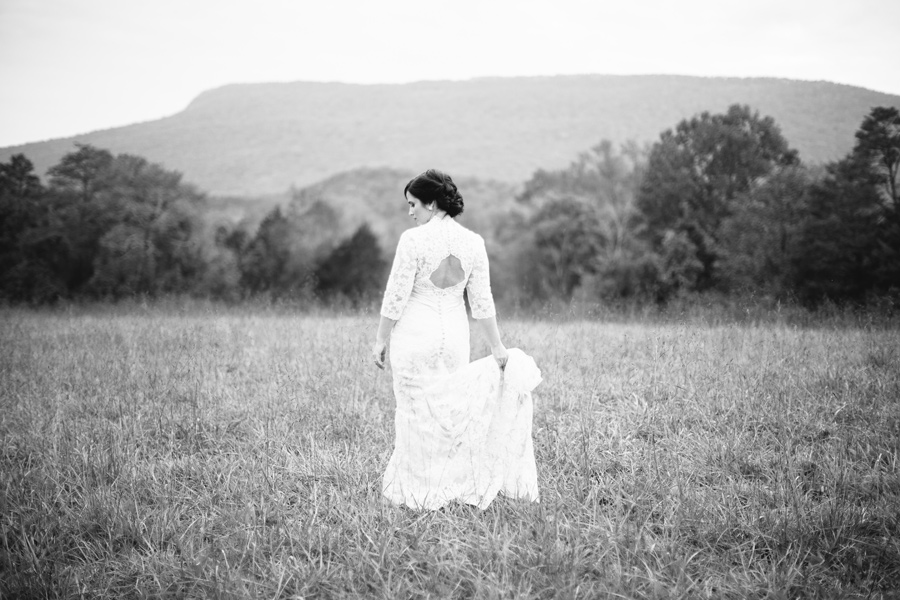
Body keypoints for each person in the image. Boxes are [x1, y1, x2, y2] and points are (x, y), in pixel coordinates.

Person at [372, 169, 542, 510]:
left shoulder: (413, 240)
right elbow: (482, 302)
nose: (410, 212)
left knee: (414, 410)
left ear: (432, 203)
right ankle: (449, 480)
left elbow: (396, 295)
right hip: (454, 338)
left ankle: (416, 489)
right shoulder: (473, 242)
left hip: (416, 335)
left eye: (413, 204)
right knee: (448, 412)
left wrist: (380, 339)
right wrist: (497, 348)